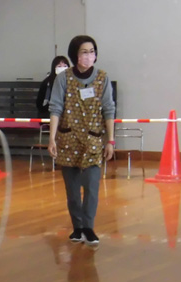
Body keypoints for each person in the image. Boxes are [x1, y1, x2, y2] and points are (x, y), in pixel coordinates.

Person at [48, 35, 115, 247]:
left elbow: (109, 110)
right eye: (84, 52)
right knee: (73, 189)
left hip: (94, 140)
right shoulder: (63, 79)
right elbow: (55, 107)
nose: (89, 56)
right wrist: (52, 137)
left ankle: (88, 226)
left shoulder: (102, 78)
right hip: (68, 140)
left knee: (92, 187)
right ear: (75, 55)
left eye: (92, 51)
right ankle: (77, 227)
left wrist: (110, 140)